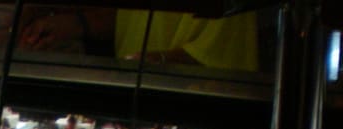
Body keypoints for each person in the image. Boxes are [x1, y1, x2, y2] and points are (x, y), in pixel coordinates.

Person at [16, 7, 260, 72]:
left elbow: (222, 58)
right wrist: (76, 25)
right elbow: (133, 18)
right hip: (134, 103)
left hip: (197, 114)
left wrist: (155, 61)